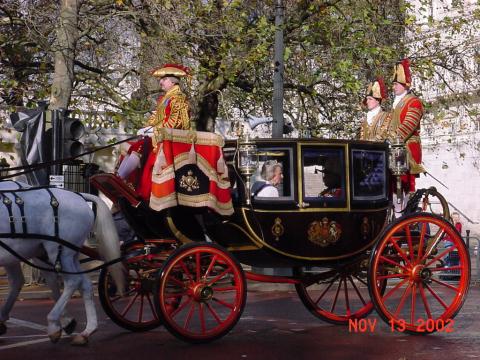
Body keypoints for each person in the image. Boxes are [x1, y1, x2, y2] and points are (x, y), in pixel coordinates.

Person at [117, 63, 191, 201]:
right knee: (128, 146)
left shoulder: (179, 98)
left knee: (138, 147)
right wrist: (147, 128)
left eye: (163, 79)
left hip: (171, 139)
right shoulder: (165, 98)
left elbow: (176, 123)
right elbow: (155, 118)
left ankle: (121, 180)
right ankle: (120, 180)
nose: (161, 82)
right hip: (160, 136)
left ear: (172, 81)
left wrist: (154, 131)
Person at [389, 58, 426, 197]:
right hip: (395, 147)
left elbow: (408, 126)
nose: (393, 87)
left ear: (405, 85)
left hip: (408, 148)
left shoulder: (414, 102)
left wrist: (391, 139)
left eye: (396, 84)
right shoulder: (396, 104)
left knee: (406, 185)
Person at [359, 77, 392, 141]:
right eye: (367, 99)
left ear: (378, 101)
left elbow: (383, 134)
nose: (367, 101)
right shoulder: (364, 120)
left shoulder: (386, 116)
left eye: (370, 99)